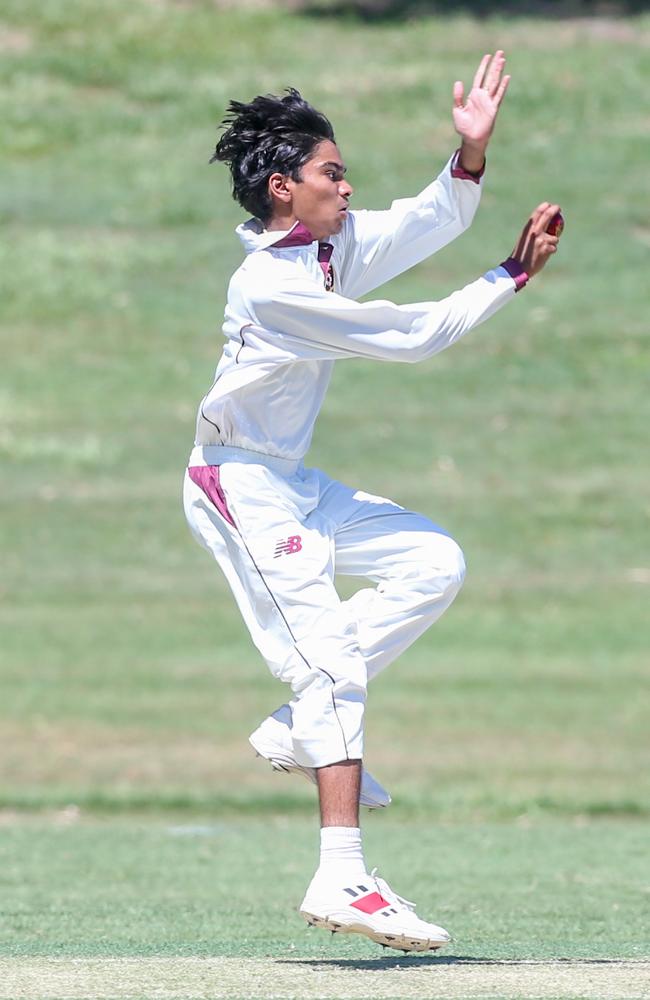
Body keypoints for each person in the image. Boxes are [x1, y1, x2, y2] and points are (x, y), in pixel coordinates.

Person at [183, 50, 560, 953]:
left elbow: (426, 222)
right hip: (241, 487)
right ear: (284, 187)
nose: (347, 187)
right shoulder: (273, 286)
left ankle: (293, 729)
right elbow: (415, 334)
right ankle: (343, 878)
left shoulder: (324, 250)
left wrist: (468, 156)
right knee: (333, 673)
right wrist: (508, 275)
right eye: (332, 173)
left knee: (434, 560)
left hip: (294, 482)